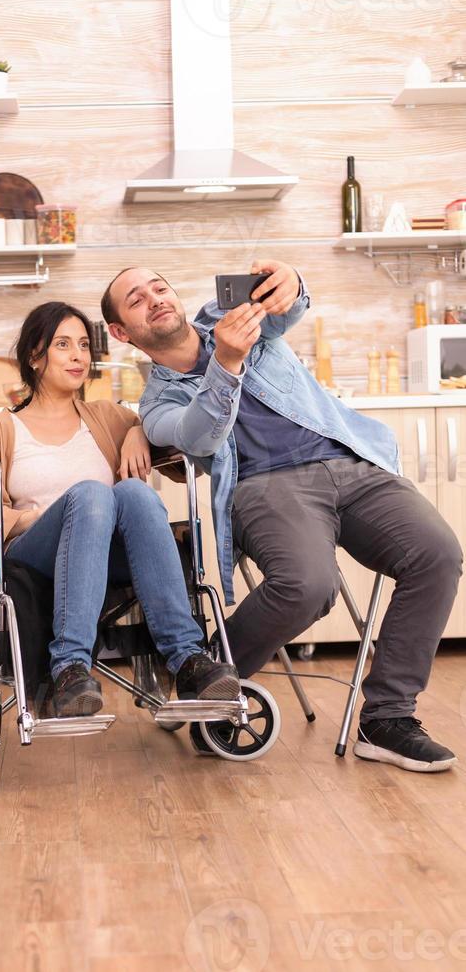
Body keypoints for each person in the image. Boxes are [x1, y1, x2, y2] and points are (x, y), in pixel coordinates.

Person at [100, 263, 463, 771]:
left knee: (439, 554)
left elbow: (288, 309)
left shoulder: (228, 316)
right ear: (121, 332)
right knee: (309, 585)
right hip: (265, 487)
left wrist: (290, 279)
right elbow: (201, 435)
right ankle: (204, 679)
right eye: (136, 300)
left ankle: (387, 721)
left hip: (350, 460)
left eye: (160, 287)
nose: (155, 298)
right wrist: (226, 363)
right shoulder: (159, 403)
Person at [0, 301, 240, 718]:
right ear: (35, 357)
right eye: (63, 345)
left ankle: (187, 659)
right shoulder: (0, 427)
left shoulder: (109, 417)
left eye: (84, 345)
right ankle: (70, 665)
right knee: (91, 493)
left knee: (136, 495)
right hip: (32, 552)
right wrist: (42, 516)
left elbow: (185, 455)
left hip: (108, 554)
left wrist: (140, 431)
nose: (78, 356)